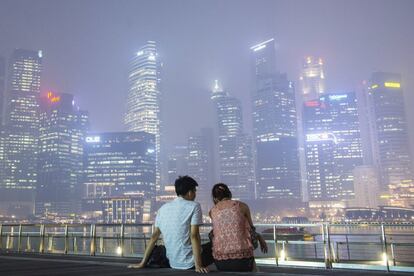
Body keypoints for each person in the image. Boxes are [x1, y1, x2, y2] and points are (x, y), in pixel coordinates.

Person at [129, 176, 209, 273]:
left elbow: (154, 236)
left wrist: (142, 263)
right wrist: (198, 266)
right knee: (214, 246)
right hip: (190, 263)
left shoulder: (163, 209)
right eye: (194, 191)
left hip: (173, 263)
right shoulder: (194, 206)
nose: (195, 194)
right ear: (189, 192)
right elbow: (194, 236)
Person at [209, 183, 268, 272]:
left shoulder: (212, 211)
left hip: (220, 260)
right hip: (243, 258)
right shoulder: (242, 206)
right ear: (229, 194)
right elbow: (251, 230)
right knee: (254, 268)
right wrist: (259, 237)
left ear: (215, 198)